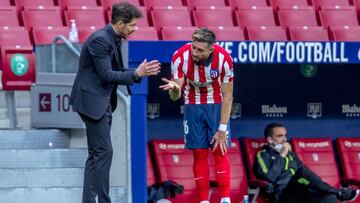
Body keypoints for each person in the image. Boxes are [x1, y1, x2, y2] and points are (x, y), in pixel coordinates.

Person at [70, 2, 161, 203]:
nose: (134, 29)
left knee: (97, 154)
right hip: (92, 102)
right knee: (103, 152)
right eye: (132, 25)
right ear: (120, 23)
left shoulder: (115, 38)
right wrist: (136, 74)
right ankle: (102, 200)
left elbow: (116, 70)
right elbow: (106, 75)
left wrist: (136, 75)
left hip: (102, 102)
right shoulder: (99, 41)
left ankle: (91, 200)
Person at [159, 28, 234, 203]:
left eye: (200, 50)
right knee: (199, 153)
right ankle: (203, 200)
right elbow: (175, 95)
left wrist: (222, 128)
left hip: (216, 103)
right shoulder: (179, 57)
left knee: (219, 150)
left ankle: (225, 199)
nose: (195, 52)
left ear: (211, 50)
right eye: (194, 47)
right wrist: (175, 90)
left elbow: (228, 96)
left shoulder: (224, 59)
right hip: (192, 104)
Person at [253, 123, 360, 203]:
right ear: (270, 140)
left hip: (300, 191)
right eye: (280, 136)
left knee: (328, 198)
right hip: (281, 195)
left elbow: (305, 175)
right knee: (303, 172)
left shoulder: (291, 155)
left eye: (285, 135)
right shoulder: (263, 155)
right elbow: (270, 177)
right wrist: (282, 154)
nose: (284, 139)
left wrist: (287, 154)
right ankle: (338, 192)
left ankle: (335, 193)